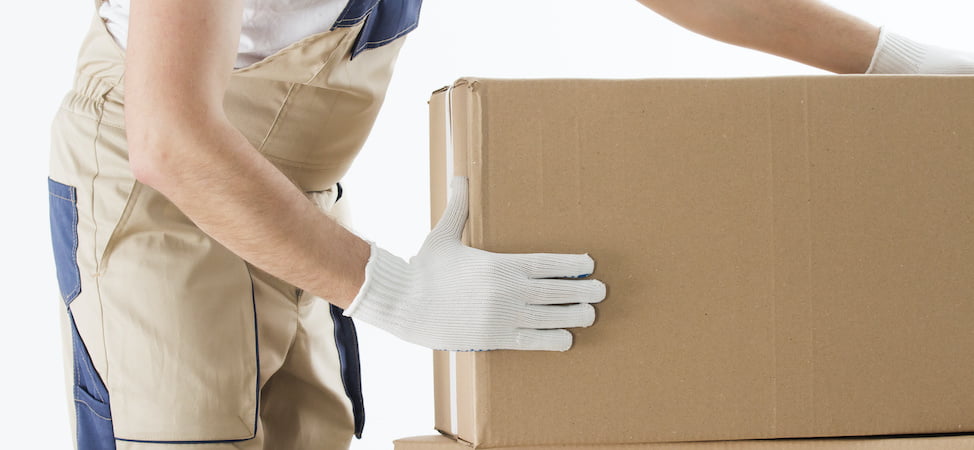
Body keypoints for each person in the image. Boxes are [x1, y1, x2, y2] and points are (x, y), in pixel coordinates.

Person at [46, 0, 973, 449]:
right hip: (156, 194)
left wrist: (890, 59)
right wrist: (395, 292)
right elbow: (169, 141)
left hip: (284, 192)